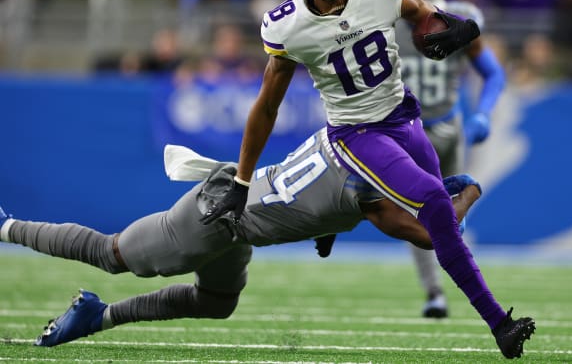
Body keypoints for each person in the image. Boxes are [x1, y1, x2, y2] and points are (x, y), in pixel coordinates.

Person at [198, 0, 534, 359]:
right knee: (437, 208)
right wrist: (242, 181)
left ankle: (339, 216)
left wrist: (440, 23)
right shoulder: (287, 24)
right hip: (356, 132)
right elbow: (266, 106)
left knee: (447, 221)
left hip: (404, 114)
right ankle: (499, 323)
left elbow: (419, 12)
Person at [0, 128, 481, 348]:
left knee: (216, 302)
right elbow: (430, 235)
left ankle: (97, 316)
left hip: (237, 221)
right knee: (110, 253)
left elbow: (331, 197)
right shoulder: (372, 189)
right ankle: (6, 226)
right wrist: (470, 193)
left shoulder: (351, 143)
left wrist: (331, 228)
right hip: (212, 218)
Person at [395, 0, 506, 318]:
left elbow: (493, 73)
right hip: (405, 133)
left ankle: (453, 281)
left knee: (452, 218)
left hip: (447, 127)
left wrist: (483, 114)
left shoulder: (462, 18)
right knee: (423, 217)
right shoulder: (385, 20)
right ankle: (434, 293)